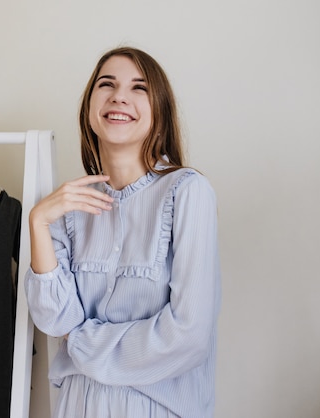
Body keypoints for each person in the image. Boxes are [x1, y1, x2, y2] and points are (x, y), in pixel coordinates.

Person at [24, 46, 221, 418]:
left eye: (139, 88)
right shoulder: (68, 204)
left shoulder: (188, 192)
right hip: (75, 407)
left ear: (159, 111)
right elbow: (54, 320)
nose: (119, 96)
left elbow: (188, 336)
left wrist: (80, 340)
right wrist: (38, 221)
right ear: (89, 109)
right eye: (107, 84)